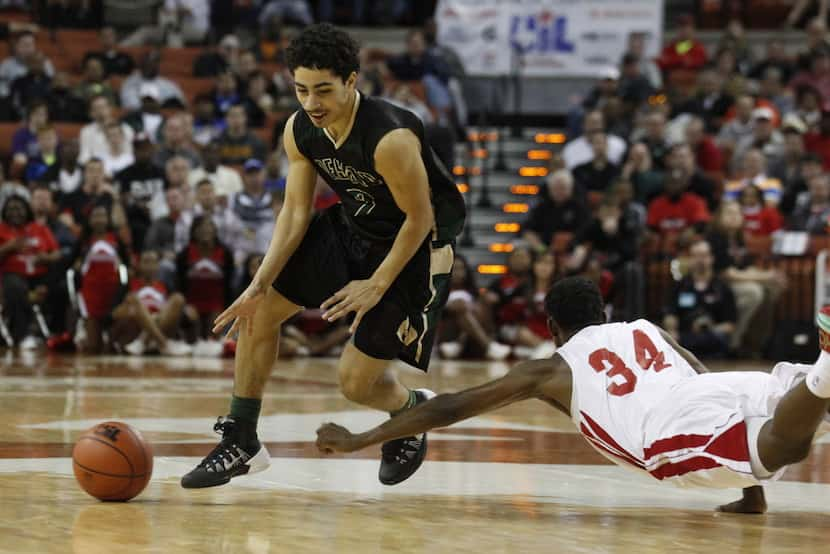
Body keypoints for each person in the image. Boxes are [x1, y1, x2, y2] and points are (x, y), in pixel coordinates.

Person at [180, 24, 465, 489]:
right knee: (259, 310)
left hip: (413, 249)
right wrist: (258, 283)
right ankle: (242, 438)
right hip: (350, 229)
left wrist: (376, 283)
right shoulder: (299, 130)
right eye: (301, 90)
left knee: (355, 384)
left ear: (352, 81)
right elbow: (295, 211)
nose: (311, 103)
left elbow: (419, 218)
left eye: (324, 90)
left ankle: (410, 409)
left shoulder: (390, 138)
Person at [317, 276, 830, 514]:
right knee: (787, 408)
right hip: (721, 385)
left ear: (552, 326)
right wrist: (749, 492)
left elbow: (450, 407)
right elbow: (706, 384)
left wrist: (360, 437)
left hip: (660, 431)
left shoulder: (552, 368)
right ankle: (821, 371)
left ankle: (825, 367)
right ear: (604, 314)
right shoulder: (648, 328)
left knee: (785, 445)